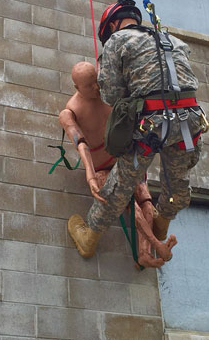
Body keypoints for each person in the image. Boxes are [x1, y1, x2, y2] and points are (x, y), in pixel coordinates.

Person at [68, 0, 203, 259]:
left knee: (120, 185)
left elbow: (111, 95)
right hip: (190, 123)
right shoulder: (172, 40)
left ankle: (89, 236)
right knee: (177, 184)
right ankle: (161, 224)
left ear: (112, 26)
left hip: (152, 126)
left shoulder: (117, 42)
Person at [60, 61, 176, 268]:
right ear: (77, 87)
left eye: (97, 82)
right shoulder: (70, 112)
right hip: (101, 167)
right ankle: (155, 245)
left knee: (145, 199)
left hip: (125, 159)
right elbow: (81, 144)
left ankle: (145, 253)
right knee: (127, 202)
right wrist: (90, 175)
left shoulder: (111, 94)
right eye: (89, 85)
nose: (96, 88)